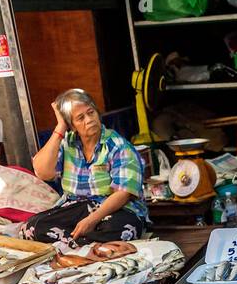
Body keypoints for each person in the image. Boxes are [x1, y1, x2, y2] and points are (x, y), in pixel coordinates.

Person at [23, 88, 147, 246]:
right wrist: (60, 127)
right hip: (78, 207)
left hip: (114, 209)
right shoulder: (67, 143)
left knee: (124, 228)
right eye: (80, 118)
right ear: (72, 125)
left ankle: (74, 244)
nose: (89, 120)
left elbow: (123, 194)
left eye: (91, 112)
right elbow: (43, 172)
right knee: (33, 227)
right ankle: (87, 244)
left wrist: (91, 220)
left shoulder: (118, 145)